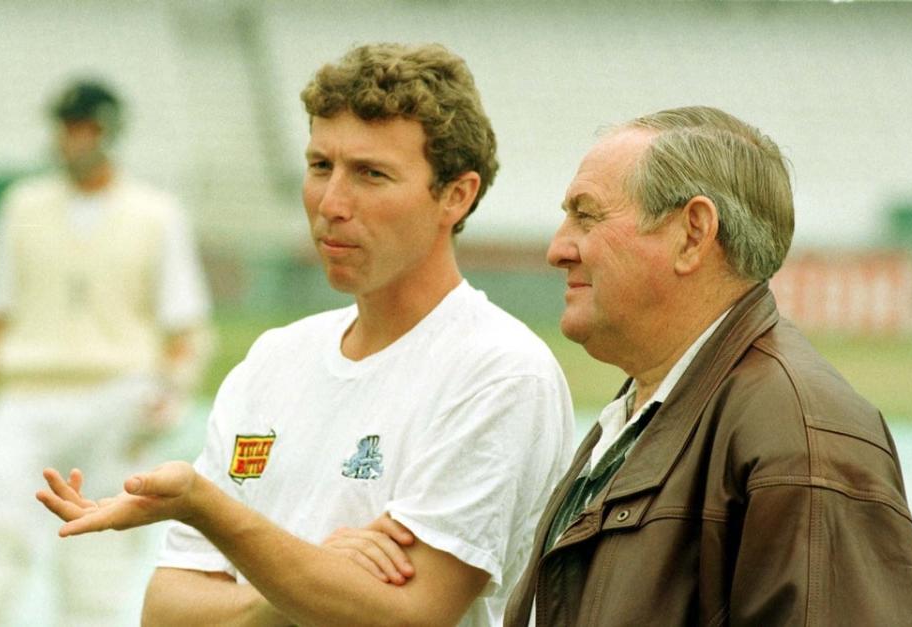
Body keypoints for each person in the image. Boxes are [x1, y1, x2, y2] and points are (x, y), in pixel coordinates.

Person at [38, 43, 574, 626]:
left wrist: (210, 509)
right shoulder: (274, 358)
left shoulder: (498, 370)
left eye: (371, 174)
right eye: (320, 166)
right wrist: (305, 580)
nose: (332, 203)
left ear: (456, 194)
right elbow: (166, 613)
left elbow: (407, 617)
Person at [500, 107, 912, 625]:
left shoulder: (801, 440)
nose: (557, 249)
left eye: (586, 215)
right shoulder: (648, 411)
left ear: (693, 233)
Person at [0, 80, 213, 626]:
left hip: (119, 394)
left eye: (84, 128)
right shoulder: (23, 207)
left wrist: (170, 392)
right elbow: (1, 312)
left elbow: (183, 323)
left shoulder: (154, 213)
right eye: (65, 128)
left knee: (96, 548)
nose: (72, 140)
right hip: (30, 393)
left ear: (109, 134)